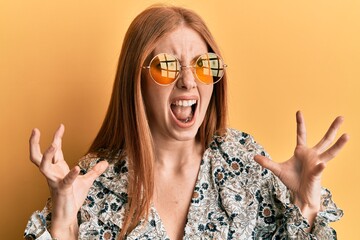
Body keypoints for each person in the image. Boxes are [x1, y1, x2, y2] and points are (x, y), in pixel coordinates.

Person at [24, 4, 349, 240]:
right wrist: (64, 224)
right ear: (136, 80)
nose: (188, 82)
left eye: (204, 65)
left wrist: (306, 205)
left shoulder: (243, 161)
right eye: (166, 66)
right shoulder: (92, 180)